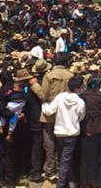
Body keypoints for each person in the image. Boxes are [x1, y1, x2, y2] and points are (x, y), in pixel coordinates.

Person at [30, 52, 73, 182]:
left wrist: (35, 85)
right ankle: (61, 168)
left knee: (49, 143)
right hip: (65, 114)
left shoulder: (49, 76)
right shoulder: (71, 75)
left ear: (54, 62)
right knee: (61, 143)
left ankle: (50, 169)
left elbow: (43, 95)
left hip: (49, 115)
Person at [42, 75, 86, 188]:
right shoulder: (80, 101)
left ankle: (71, 183)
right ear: (77, 88)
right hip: (72, 133)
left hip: (59, 133)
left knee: (64, 158)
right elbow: (81, 117)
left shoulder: (60, 97)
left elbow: (49, 111)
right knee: (65, 160)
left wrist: (44, 103)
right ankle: (61, 185)